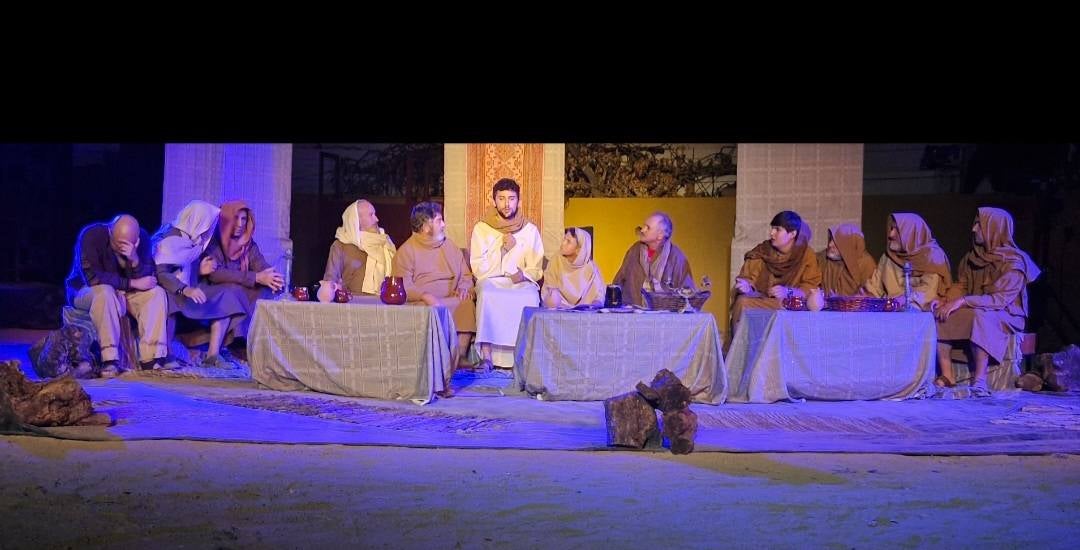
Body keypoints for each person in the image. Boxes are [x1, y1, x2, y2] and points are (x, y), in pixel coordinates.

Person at [932, 207, 1041, 397]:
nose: (973, 229)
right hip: (976, 306)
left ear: (994, 229)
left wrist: (963, 301)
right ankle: (947, 375)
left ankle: (980, 381)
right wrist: (945, 301)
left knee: (982, 317)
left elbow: (1000, 300)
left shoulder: (1014, 262)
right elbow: (962, 285)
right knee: (942, 315)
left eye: (979, 225)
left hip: (1007, 313)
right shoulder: (972, 257)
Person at [65, 214, 170, 376]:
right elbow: (93, 278)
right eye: (117, 244)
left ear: (136, 241)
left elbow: (149, 276)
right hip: (88, 291)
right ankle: (110, 360)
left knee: (156, 293)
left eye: (126, 245)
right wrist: (132, 284)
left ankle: (152, 358)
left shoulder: (142, 239)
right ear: (110, 231)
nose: (120, 248)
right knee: (106, 292)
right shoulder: (92, 236)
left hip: (124, 293)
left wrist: (134, 259)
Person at [153, 200, 247, 368]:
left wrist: (201, 270)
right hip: (176, 291)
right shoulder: (170, 238)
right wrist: (185, 289)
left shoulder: (196, 241)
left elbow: (190, 267)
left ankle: (213, 355)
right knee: (168, 299)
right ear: (198, 221)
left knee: (226, 296)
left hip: (192, 290)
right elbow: (161, 273)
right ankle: (166, 353)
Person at [392, 201, 476, 388]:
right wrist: (425, 296)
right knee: (426, 310)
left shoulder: (449, 246)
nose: (444, 224)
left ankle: (460, 355)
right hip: (423, 302)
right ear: (425, 226)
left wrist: (464, 287)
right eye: (439, 220)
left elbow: (465, 274)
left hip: (451, 299)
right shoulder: (406, 251)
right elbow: (403, 284)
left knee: (466, 304)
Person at [469, 178, 544, 372]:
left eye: (511, 199)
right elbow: (478, 267)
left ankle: (522, 357)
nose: (506, 204)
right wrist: (501, 251)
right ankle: (487, 356)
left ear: (518, 201)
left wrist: (524, 275)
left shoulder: (530, 229)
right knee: (487, 294)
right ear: (494, 201)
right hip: (492, 280)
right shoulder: (482, 228)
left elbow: (536, 267)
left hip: (520, 282)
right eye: (501, 198)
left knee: (529, 295)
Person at [862, 213, 951, 311]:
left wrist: (900, 301)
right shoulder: (888, 256)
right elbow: (874, 287)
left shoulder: (932, 257)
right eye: (891, 229)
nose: (891, 235)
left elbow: (927, 292)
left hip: (919, 313)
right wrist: (862, 297)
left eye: (897, 230)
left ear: (911, 233)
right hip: (889, 310)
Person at [611, 212, 694, 307]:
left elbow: (688, 293)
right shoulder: (634, 251)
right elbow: (619, 280)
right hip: (633, 314)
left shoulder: (676, 257)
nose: (642, 230)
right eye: (643, 226)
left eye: (648, 227)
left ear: (660, 235)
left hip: (664, 317)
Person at [321, 199, 396, 299]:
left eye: (375, 214)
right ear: (357, 220)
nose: (376, 219)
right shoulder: (340, 246)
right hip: (351, 307)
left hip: (383, 305)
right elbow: (329, 283)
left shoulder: (386, 244)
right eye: (371, 215)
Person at [541, 227, 605, 309]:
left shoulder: (591, 269)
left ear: (579, 249)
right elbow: (548, 290)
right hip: (559, 310)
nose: (563, 243)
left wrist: (593, 306)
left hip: (586, 313)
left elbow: (599, 297)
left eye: (568, 241)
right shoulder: (556, 260)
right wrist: (552, 299)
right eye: (564, 239)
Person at [817, 223, 876, 297]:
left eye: (837, 242)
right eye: (831, 239)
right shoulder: (822, 258)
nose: (830, 244)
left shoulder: (866, 263)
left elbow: (872, 294)